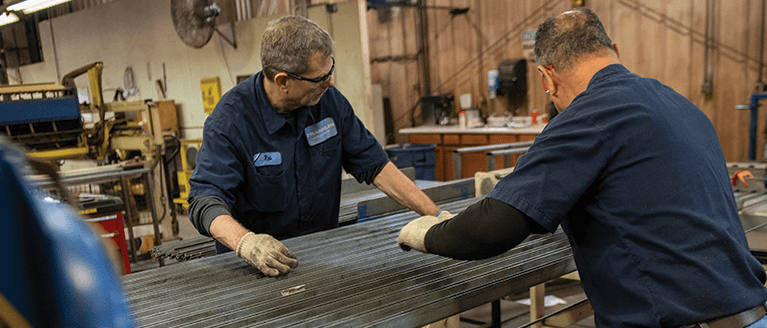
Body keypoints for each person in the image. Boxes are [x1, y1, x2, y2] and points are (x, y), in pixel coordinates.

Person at [398, 7, 767, 328]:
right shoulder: (680, 104)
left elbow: (491, 229)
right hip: (751, 312)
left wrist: (426, 233)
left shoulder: (588, 116)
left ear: (547, 76)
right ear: (616, 51)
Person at [189, 15, 442, 277]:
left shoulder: (329, 103)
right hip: (256, 270)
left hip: (322, 260)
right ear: (283, 81)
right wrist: (247, 243)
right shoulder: (230, 122)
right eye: (319, 78)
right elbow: (205, 200)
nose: (330, 83)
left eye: (330, 70)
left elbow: (376, 166)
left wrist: (436, 216)